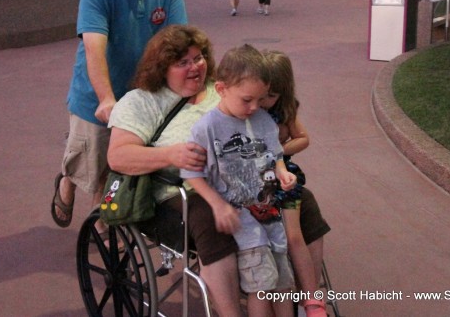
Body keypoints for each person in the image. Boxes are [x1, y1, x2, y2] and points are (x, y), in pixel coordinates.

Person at [107, 25, 331, 317]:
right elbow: (118, 156)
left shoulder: (222, 87)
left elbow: (268, 112)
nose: (195, 67)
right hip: (182, 192)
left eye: (198, 58)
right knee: (214, 218)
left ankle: (305, 300)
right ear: (162, 68)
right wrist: (170, 154)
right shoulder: (141, 101)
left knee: (304, 201)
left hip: (245, 182)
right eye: (183, 62)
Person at [50, 0, 188, 233]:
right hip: (96, 95)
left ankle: (108, 227)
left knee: (119, 171)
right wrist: (106, 99)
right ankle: (69, 182)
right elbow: (94, 48)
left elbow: (179, 39)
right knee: (91, 165)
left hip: (143, 96)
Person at [182, 44, 296, 317]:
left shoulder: (262, 119)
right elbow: (191, 174)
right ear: (221, 89)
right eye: (247, 100)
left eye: (260, 99)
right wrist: (217, 205)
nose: (255, 107)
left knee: (284, 284)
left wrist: (282, 171)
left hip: (270, 213)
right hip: (243, 222)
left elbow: (275, 154)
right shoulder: (206, 128)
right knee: (261, 287)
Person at [261, 50, 328, 317]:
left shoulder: (284, 110)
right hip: (256, 179)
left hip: (283, 177)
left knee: (293, 236)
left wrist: (280, 150)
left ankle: (310, 301)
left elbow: (304, 138)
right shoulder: (249, 106)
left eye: (271, 95)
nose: (264, 101)